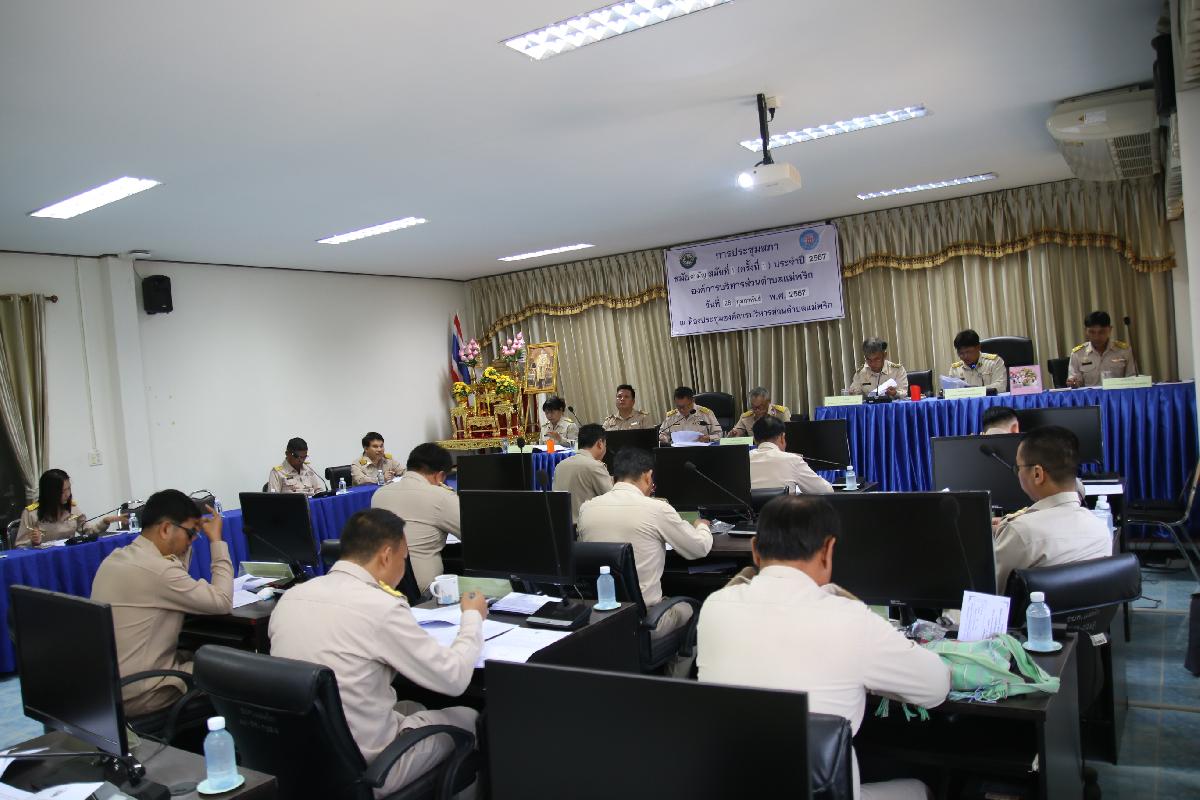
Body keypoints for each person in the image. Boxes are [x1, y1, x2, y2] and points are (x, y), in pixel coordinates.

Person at [697, 495, 950, 800]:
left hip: (733, 787)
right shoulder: (851, 619)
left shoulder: (714, 607)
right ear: (829, 549)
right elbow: (936, 688)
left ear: (755, 550)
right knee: (922, 789)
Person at [270, 508, 485, 798]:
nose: (403, 568)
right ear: (386, 556)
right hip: (367, 769)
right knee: (470, 718)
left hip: (302, 760)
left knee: (414, 707)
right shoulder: (380, 607)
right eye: (403, 559)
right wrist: (472, 618)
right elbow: (454, 678)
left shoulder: (292, 597)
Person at [91, 490, 232, 715]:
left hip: (112, 689)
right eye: (191, 534)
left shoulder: (116, 558)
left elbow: (175, 573)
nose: (193, 540)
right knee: (236, 669)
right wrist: (216, 540)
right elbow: (222, 601)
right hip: (144, 691)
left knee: (202, 654)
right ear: (166, 529)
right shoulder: (159, 571)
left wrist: (187, 538)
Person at [577, 449, 712, 644]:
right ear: (648, 476)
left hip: (601, 620)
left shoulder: (587, 508)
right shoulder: (656, 509)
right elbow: (699, 548)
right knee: (692, 609)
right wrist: (702, 526)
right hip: (646, 621)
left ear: (614, 478)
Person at [993, 426, 1113, 591]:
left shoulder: (1020, 532)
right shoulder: (1101, 529)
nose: (1018, 474)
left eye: (1018, 468)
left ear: (1037, 474)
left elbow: (991, 592)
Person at [371, 443, 459, 592]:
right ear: (440, 476)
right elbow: (473, 533)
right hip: (426, 591)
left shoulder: (379, 494)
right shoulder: (441, 496)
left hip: (383, 586)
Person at [16, 468, 124, 548]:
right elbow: (20, 546)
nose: (67, 494)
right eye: (62, 491)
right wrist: (34, 542)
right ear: (50, 493)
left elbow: (88, 532)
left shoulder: (72, 509)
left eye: (68, 489)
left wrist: (105, 522)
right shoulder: (31, 513)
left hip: (68, 557)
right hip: (45, 561)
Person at [749, 417, 833, 494]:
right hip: (783, 506)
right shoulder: (793, 460)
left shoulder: (743, 460)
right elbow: (825, 490)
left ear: (755, 440)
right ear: (782, 437)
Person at [551, 424, 613, 523]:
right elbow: (612, 498)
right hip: (586, 527)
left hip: (561, 526)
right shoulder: (595, 466)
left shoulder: (560, 465)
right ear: (600, 443)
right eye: (605, 445)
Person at [1067, 310, 1138, 387]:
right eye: (1092, 332)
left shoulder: (1124, 351)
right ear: (1085, 331)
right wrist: (1073, 383)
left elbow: (1132, 378)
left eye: (1101, 332)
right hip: (1090, 394)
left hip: (1117, 393)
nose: (1096, 337)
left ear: (1110, 329)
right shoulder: (1078, 354)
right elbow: (1075, 382)